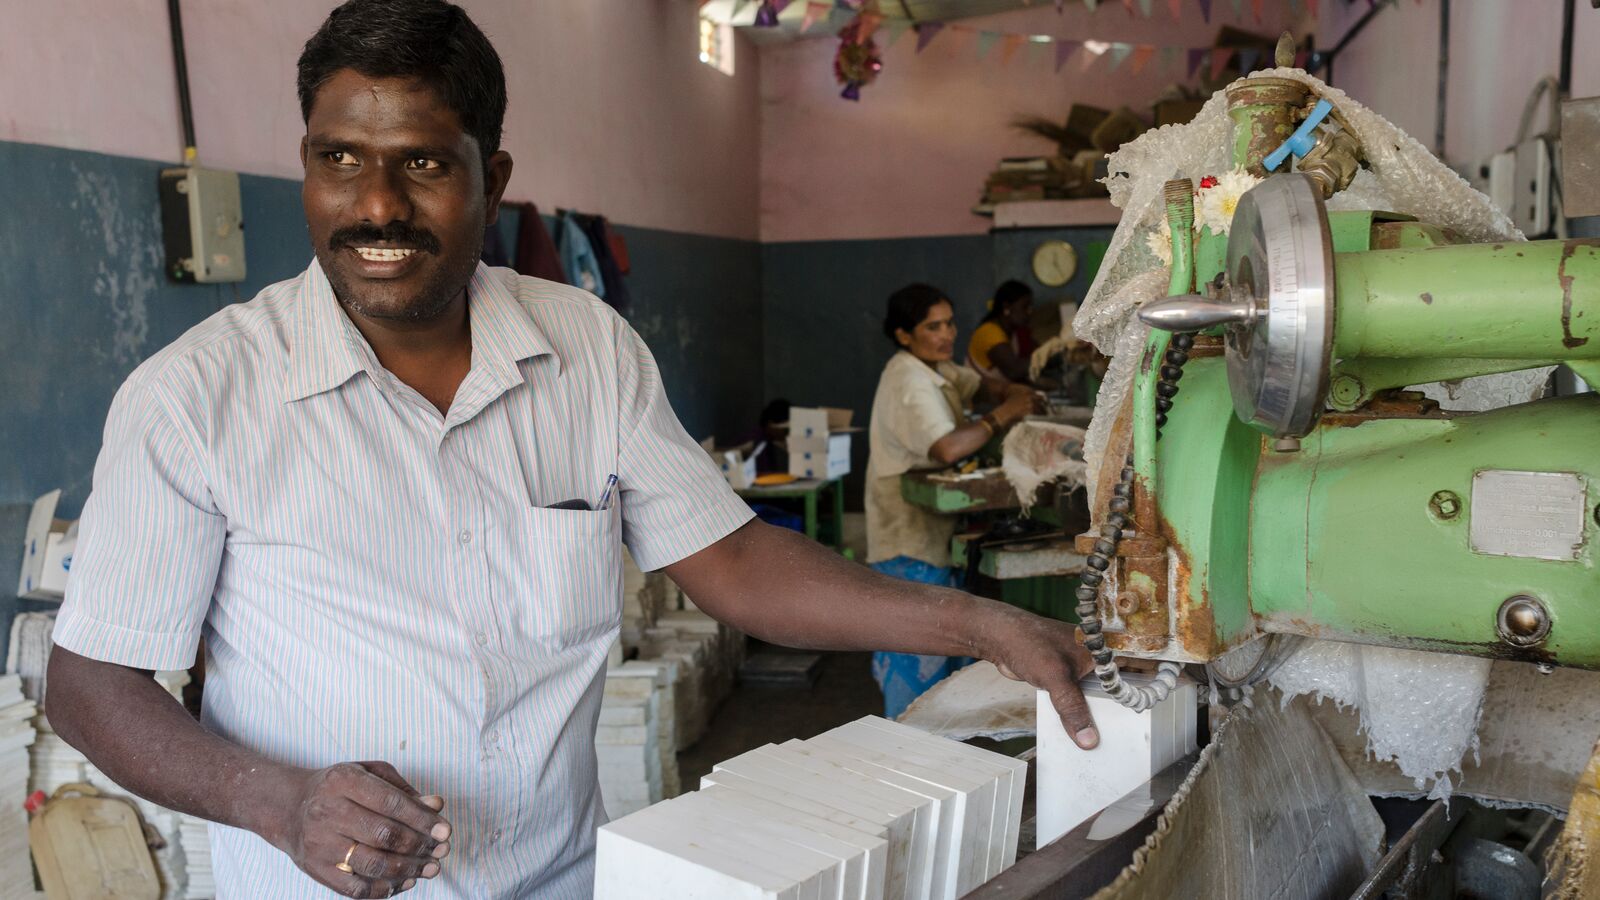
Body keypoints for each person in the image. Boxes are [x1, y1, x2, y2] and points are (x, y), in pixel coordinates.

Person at [42, 4, 1098, 898]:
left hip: (558, 877)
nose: (376, 206)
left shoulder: (585, 349)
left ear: (490, 177)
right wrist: (277, 803)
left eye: (420, 164)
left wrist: (974, 621)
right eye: (339, 162)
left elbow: (727, 560)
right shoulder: (199, 395)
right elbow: (90, 684)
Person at [865, 284, 1043, 718]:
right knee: (914, 674)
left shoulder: (935, 367)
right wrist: (1003, 414)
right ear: (904, 336)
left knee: (947, 673)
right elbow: (946, 449)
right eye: (933, 326)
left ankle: (947, 761)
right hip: (906, 548)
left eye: (949, 323)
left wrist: (1011, 393)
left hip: (932, 543)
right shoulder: (908, 379)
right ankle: (908, 764)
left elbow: (979, 384)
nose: (946, 334)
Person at [967, 279, 1039, 385]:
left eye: (1030, 307)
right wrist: (1044, 359)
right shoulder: (988, 332)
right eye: (1025, 307)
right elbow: (1014, 371)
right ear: (1007, 307)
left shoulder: (1014, 332)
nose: (1029, 312)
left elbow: (1037, 351)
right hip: (982, 399)